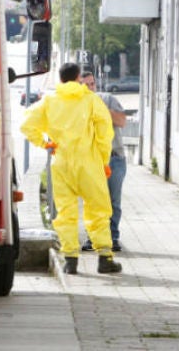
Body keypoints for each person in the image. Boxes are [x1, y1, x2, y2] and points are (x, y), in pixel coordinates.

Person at [21, 62, 122, 275]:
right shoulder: (91, 100)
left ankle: (70, 260)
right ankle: (105, 258)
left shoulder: (50, 100)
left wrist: (45, 143)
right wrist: (103, 161)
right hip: (89, 164)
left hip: (62, 164)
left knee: (66, 212)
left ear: (60, 79)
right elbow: (105, 133)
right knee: (98, 210)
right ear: (78, 78)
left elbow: (27, 124)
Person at [80, 71, 127, 252]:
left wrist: (100, 110)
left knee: (113, 201)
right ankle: (92, 238)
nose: (90, 88)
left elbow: (122, 121)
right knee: (92, 201)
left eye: (92, 84)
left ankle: (112, 238)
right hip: (90, 160)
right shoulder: (76, 106)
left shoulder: (107, 99)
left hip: (114, 159)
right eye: (85, 85)